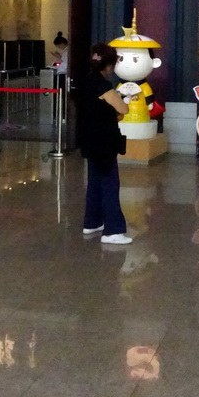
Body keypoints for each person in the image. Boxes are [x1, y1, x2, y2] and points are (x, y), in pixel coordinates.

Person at [76, 42, 133, 245]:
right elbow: (123, 110)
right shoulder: (103, 86)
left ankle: (92, 222)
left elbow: (96, 111)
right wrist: (123, 101)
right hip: (104, 143)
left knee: (94, 183)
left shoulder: (85, 82)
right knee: (110, 184)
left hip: (89, 140)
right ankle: (113, 230)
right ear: (108, 65)